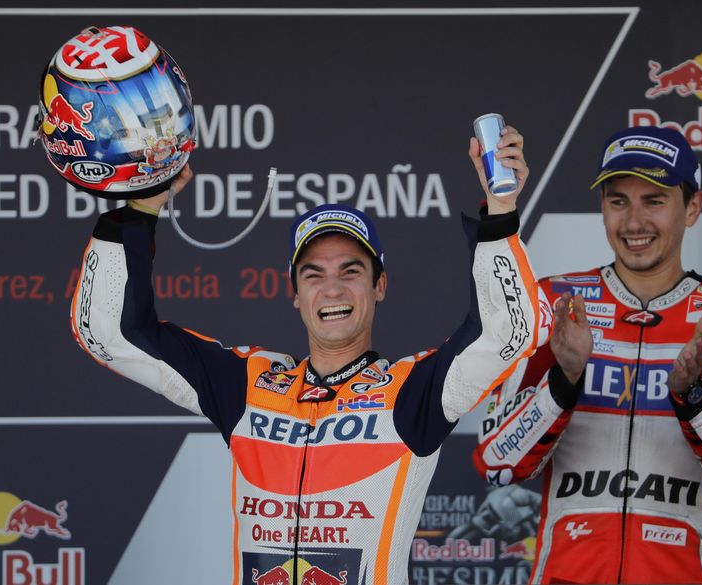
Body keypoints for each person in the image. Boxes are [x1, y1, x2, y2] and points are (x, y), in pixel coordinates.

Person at [70, 126, 551, 584]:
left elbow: (508, 331)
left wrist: (500, 210)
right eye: (313, 275)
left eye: (351, 270)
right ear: (296, 294)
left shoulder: (413, 393)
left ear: (379, 286)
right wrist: (138, 209)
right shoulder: (247, 385)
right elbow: (108, 332)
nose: (333, 288)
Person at [472, 126, 702, 584]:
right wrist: (565, 379)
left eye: (654, 201)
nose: (634, 222)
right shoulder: (553, 305)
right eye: (618, 201)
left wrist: (694, 398)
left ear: (692, 207)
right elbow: (497, 464)